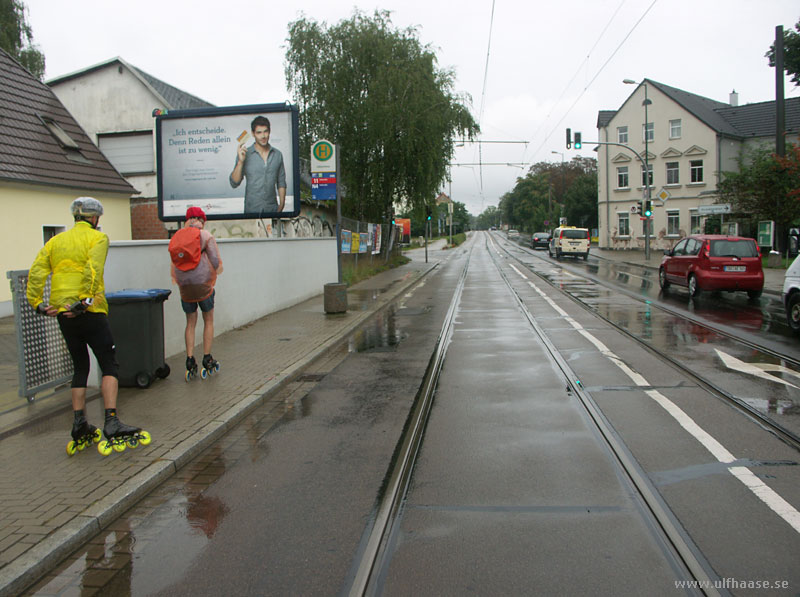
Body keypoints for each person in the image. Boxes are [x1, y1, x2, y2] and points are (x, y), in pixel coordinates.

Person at [27, 197, 146, 452]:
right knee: (109, 363)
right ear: (95, 218)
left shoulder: (55, 241)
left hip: (62, 313)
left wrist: (36, 303)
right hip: (89, 311)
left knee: (80, 365)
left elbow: (37, 271)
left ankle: (79, 423)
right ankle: (112, 422)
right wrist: (85, 301)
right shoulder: (98, 238)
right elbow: (93, 269)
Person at [170, 207, 223, 378]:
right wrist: (218, 270)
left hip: (184, 285)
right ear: (202, 220)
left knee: (190, 322)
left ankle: (190, 359)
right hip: (203, 284)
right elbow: (215, 260)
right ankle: (207, 358)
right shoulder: (205, 236)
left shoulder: (177, 236)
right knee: (208, 319)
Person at [229, 115, 287, 216]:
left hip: (272, 210)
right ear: (253, 134)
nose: (263, 136)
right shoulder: (245, 153)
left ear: (269, 131)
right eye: (259, 132)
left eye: (265, 131)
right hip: (251, 211)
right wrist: (241, 162)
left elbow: (281, 181)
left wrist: (281, 205)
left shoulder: (277, 154)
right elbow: (234, 183)